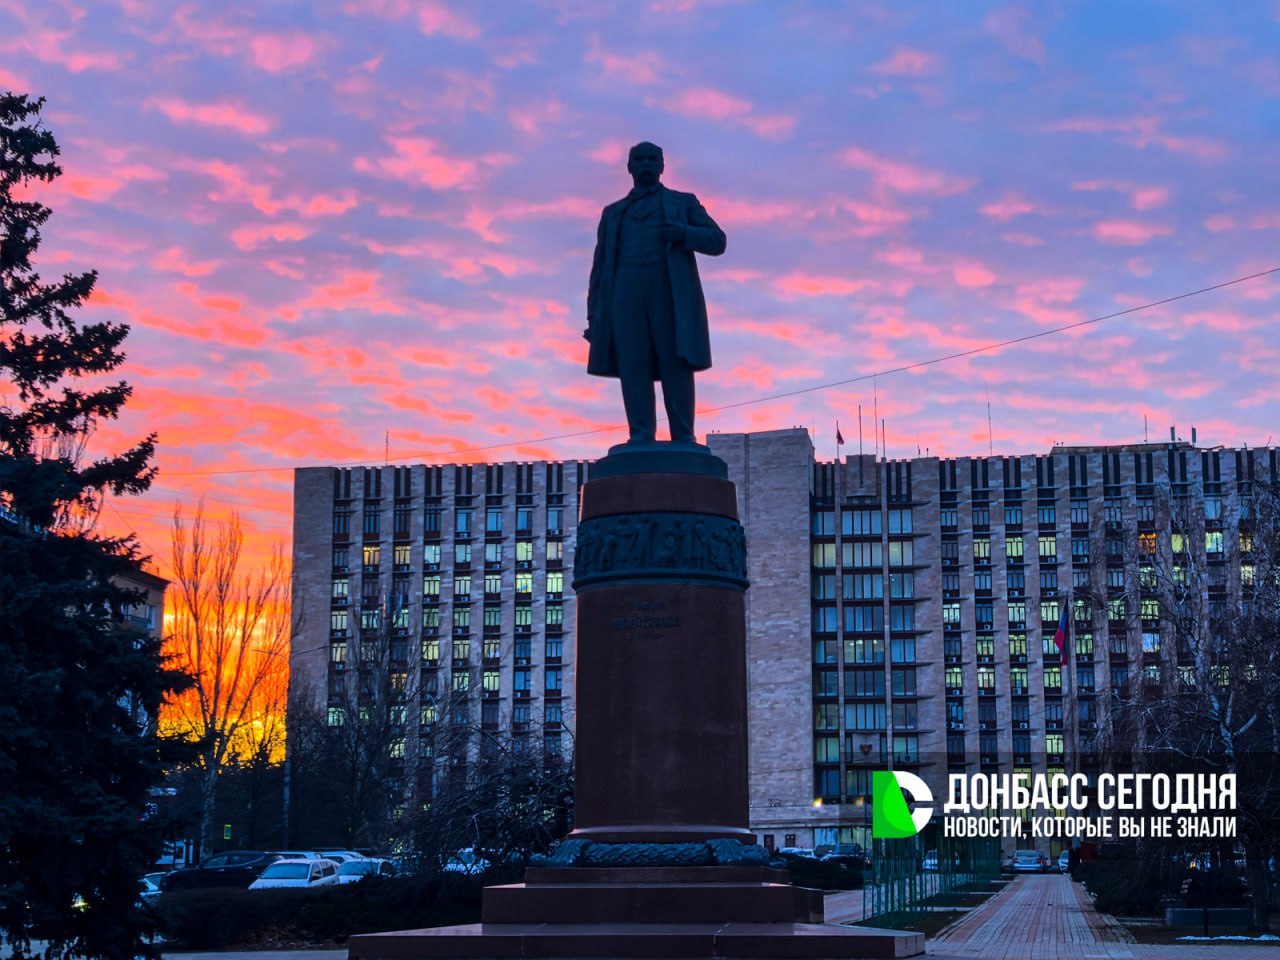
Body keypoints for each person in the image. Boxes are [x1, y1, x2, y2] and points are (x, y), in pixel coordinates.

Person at [584, 142, 726, 445]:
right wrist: (594, 317)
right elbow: (600, 269)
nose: (646, 163)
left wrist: (685, 233)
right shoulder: (613, 214)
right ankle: (640, 434)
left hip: (669, 294)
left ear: (662, 166)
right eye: (640, 159)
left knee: (675, 364)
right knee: (633, 366)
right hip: (625, 295)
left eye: (652, 159)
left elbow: (717, 240)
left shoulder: (683, 203)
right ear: (629, 167)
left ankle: (683, 436)